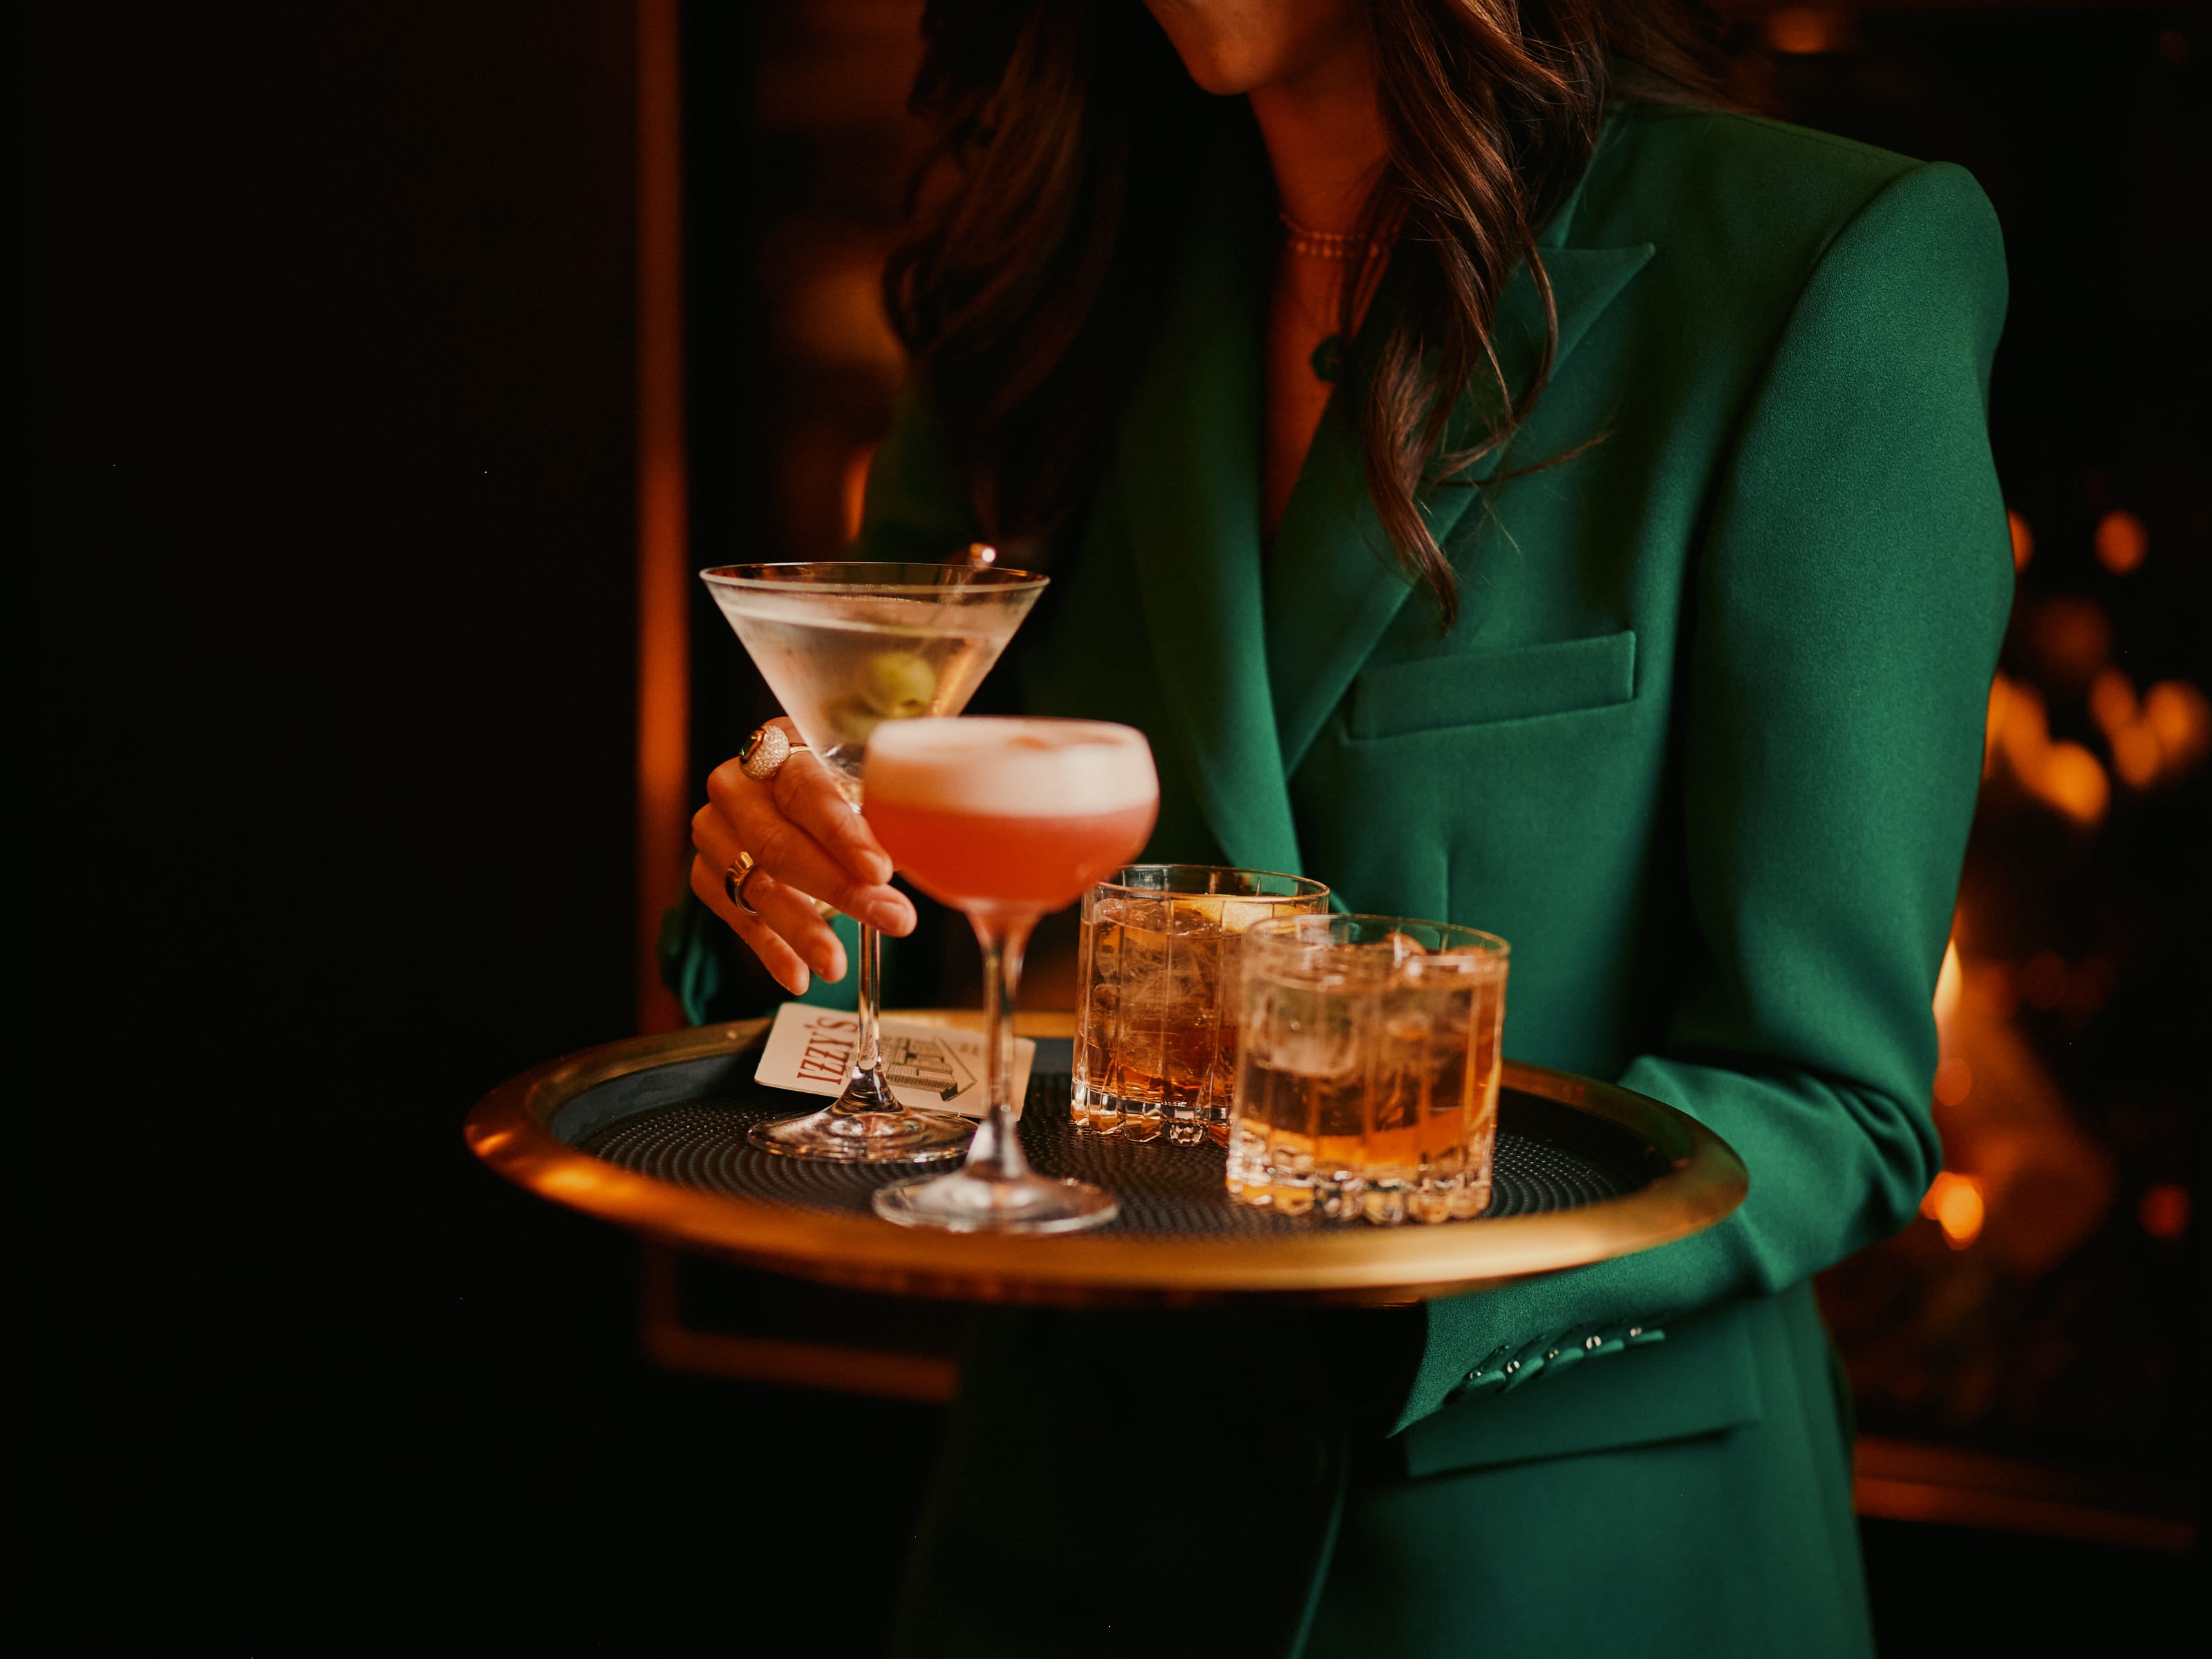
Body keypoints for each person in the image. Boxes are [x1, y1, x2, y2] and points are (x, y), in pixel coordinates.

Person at [675, 1, 2012, 1653]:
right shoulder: (1043, 277)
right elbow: (920, 913)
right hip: (1066, 1545)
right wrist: (792, 877)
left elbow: (1836, 1102)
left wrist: (1395, 1285)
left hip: (1559, 1570)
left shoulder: (1819, 266)